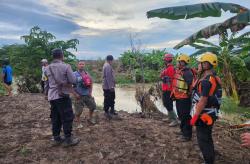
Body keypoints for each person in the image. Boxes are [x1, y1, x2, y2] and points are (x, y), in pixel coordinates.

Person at [44, 48, 80, 147]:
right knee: (67, 117)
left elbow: (46, 83)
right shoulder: (66, 66)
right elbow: (73, 80)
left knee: (55, 117)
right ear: (62, 56)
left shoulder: (47, 68)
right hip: (62, 95)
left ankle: (56, 138)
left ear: (53, 56)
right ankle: (68, 139)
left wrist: (46, 94)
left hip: (52, 96)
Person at [190, 52, 221, 164]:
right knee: (207, 136)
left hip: (205, 114)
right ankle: (210, 156)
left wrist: (195, 117)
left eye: (200, 63)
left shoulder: (206, 81)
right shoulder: (213, 77)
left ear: (206, 65)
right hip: (211, 113)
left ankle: (208, 160)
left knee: (203, 139)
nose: (198, 65)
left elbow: (203, 100)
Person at [172, 54, 194, 141]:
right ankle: (182, 131)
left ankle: (187, 135)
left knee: (185, 117)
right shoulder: (180, 71)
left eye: (178, 61)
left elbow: (191, 85)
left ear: (182, 63)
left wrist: (189, 94)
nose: (177, 63)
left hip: (184, 98)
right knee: (181, 116)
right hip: (179, 97)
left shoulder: (187, 72)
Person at [73, 60, 96, 128]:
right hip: (79, 95)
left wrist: (90, 92)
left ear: (84, 65)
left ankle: (90, 118)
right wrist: (75, 94)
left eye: (83, 64)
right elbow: (70, 86)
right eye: (80, 64)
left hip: (87, 94)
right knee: (78, 111)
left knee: (93, 106)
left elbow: (91, 83)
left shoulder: (87, 74)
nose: (82, 65)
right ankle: (78, 123)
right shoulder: (74, 74)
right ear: (77, 65)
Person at [160, 53, 178, 127]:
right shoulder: (168, 68)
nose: (164, 61)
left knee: (168, 104)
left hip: (168, 89)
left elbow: (169, 79)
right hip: (167, 88)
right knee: (166, 103)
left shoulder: (170, 68)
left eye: (164, 60)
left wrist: (162, 77)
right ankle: (170, 117)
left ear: (166, 60)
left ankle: (175, 120)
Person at [102, 55, 117, 119]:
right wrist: (111, 87)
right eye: (112, 60)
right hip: (108, 86)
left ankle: (112, 110)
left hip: (108, 86)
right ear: (110, 60)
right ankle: (106, 112)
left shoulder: (107, 65)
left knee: (112, 98)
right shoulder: (107, 66)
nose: (112, 62)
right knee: (108, 99)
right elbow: (108, 77)